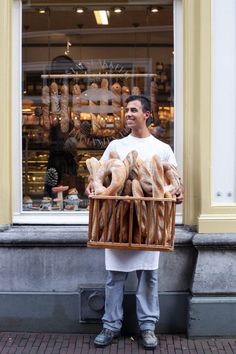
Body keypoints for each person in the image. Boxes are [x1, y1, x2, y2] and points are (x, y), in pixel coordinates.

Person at [86, 95, 184, 349]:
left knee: (149, 278)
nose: (128, 114)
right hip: (116, 224)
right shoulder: (115, 146)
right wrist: (92, 188)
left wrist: (177, 193)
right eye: (126, 110)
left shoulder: (162, 149)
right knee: (113, 278)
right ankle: (110, 326)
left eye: (133, 110)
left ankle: (148, 327)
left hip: (149, 224)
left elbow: (174, 184)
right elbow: (99, 177)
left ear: (147, 115)